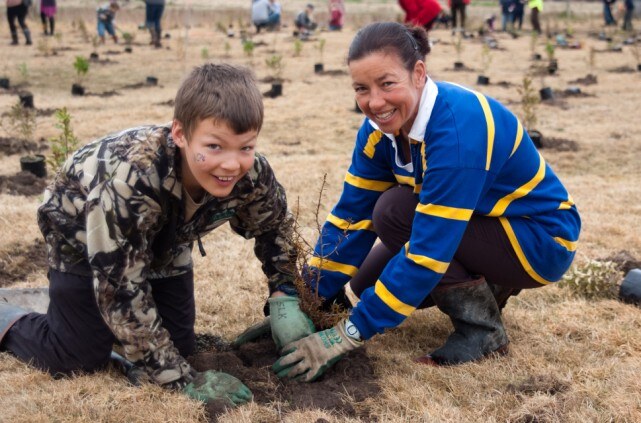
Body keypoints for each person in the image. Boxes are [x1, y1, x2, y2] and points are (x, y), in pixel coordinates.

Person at [272, 22, 580, 382]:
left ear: (418, 74)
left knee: (395, 212)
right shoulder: (378, 134)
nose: (375, 102)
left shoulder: (458, 129)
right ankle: (487, 285)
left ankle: (483, 332)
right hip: (480, 225)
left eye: (387, 84)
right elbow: (351, 218)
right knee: (364, 284)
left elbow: (428, 252)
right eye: (362, 88)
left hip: (540, 242)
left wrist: (347, 334)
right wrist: (305, 298)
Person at [0, 63, 316, 406]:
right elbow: (120, 287)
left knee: (179, 348)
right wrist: (179, 379)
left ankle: (98, 321)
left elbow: (274, 228)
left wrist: (284, 296)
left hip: (164, 241)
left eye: (245, 148)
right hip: (81, 237)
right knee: (79, 357)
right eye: (214, 146)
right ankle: (12, 316)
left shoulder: (252, 174)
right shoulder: (131, 178)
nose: (231, 164)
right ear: (180, 134)